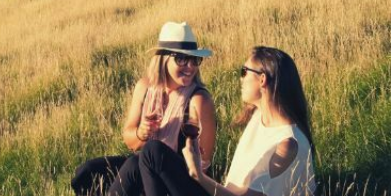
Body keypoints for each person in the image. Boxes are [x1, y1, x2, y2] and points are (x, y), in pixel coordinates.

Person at [137, 46, 316, 196]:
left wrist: (198, 175)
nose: (240, 79)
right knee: (138, 161)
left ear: (262, 79)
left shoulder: (288, 144)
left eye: (244, 72)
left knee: (153, 153)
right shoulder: (260, 116)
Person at [71, 21, 217, 196]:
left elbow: (203, 169)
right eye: (182, 59)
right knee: (87, 172)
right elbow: (129, 140)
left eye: (195, 60)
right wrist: (142, 132)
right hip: (146, 165)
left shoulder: (199, 100)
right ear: (163, 59)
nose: (190, 66)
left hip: (180, 182)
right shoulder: (145, 88)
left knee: (138, 161)